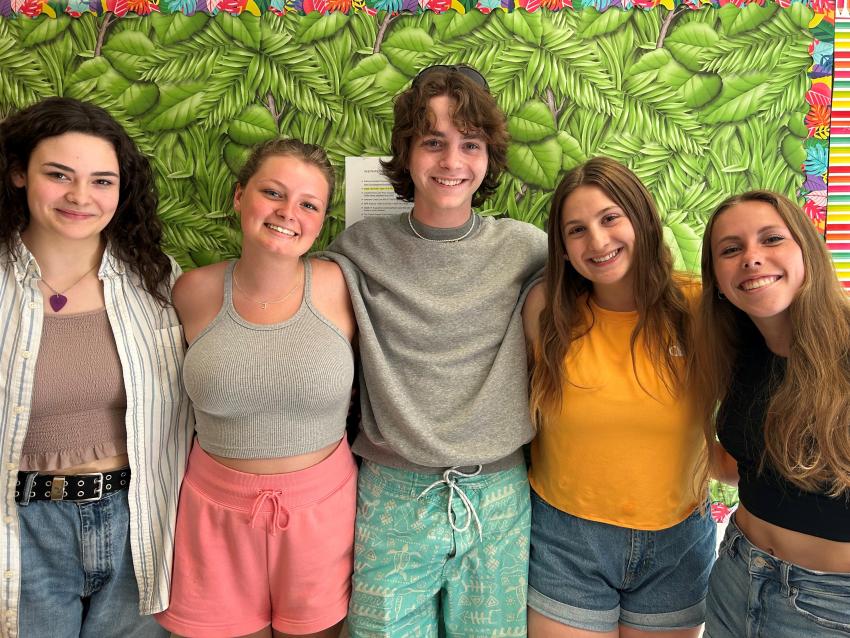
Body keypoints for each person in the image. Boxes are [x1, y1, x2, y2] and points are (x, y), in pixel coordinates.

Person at [324, 65, 546, 636]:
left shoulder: (528, 251)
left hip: (498, 492)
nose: (452, 162)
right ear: (406, 153)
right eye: (433, 142)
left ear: (488, 157)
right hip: (391, 492)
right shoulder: (357, 250)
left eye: (469, 144)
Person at [0, 97, 193, 637]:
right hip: (21, 528)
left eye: (102, 181)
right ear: (19, 173)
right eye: (59, 175)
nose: (81, 197)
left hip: (139, 521)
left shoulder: (155, 279)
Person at [154, 139, 356, 638]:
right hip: (212, 516)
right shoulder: (191, 291)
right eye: (273, 192)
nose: (289, 213)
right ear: (239, 195)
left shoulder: (340, 285)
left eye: (309, 204)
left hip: (323, 514)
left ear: (322, 219)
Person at [523, 157, 715, 638]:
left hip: (677, 541)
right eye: (577, 230)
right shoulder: (546, 310)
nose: (599, 241)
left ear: (642, 219)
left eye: (610, 218)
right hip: (566, 538)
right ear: (563, 250)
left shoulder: (698, 307)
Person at [695, 190, 850, 638]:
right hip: (736, 575)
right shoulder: (740, 352)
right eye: (731, 249)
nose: (752, 258)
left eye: (771, 239)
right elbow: (745, 467)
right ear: (719, 281)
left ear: (807, 251)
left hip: (830, 604)